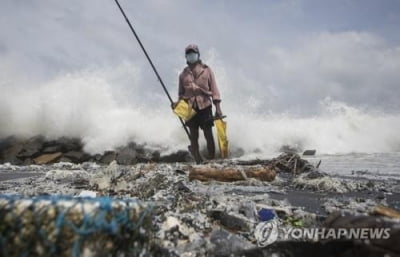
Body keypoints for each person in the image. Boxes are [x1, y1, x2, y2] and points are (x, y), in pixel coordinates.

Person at [173, 44, 223, 164]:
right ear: (186, 56)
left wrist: (218, 108)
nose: (191, 55)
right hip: (189, 108)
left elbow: (214, 89)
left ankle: (212, 159)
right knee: (193, 136)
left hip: (205, 105)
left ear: (198, 54)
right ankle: (198, 162)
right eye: (189, 54)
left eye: (193, 53)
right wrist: (177, 104)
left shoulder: (207, 70)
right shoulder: (183, 74)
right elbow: (181, 94)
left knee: (208, 134)